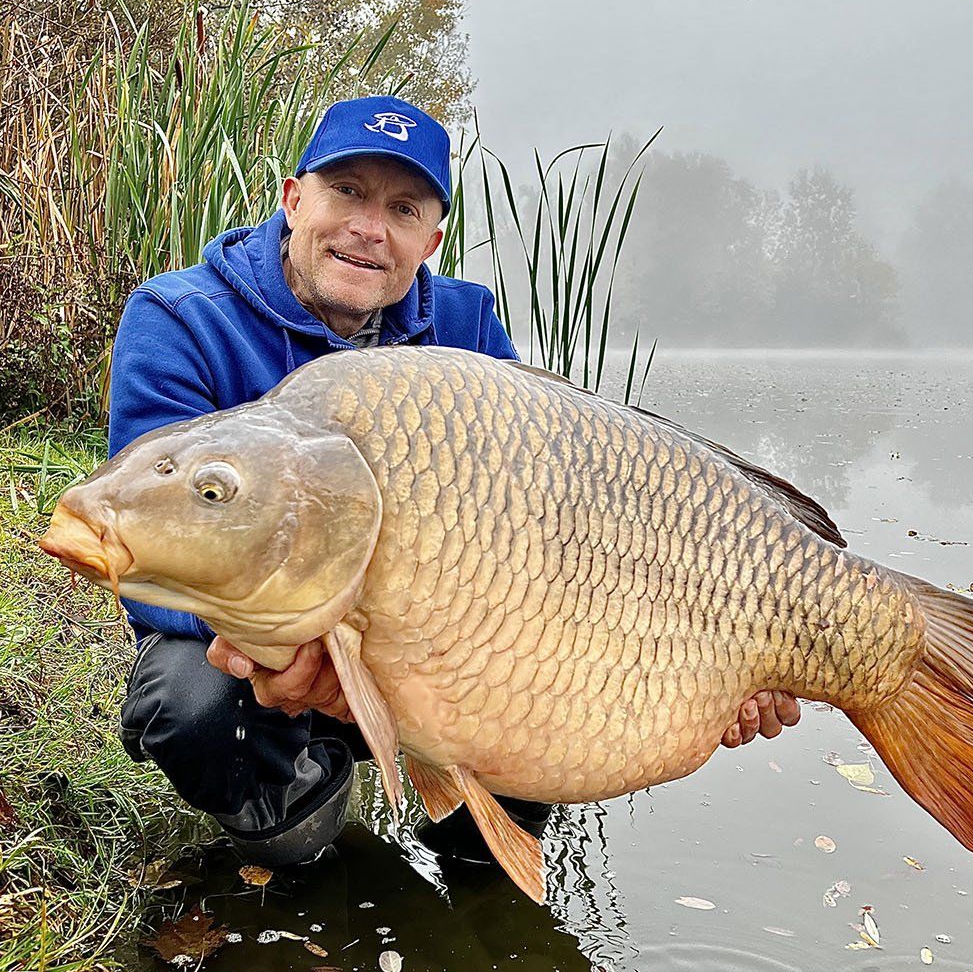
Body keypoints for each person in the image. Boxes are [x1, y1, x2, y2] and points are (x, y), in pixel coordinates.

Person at [111, 95, 800, 868]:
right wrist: (305, 655)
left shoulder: (469, 331)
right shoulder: (181, 315)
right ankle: (298, 814)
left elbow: (563, 531)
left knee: (532, 638)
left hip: (431, 649)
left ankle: (481, 851)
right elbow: (147, 544)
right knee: (191, 703)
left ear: (430, 238)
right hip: (265, 655)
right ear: (293, 196)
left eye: (402, 208)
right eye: (348, 191)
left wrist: (723, 659)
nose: (370, 228)